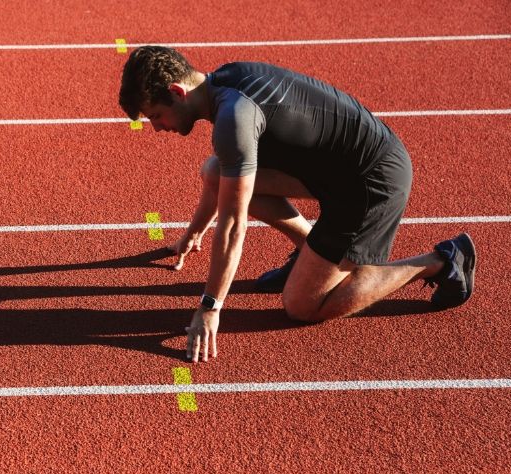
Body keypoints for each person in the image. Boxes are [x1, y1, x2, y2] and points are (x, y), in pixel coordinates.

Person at [119, 46, 477, 363]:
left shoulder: (232, 120)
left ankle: (441, 262)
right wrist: (192, 234)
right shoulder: (224, 81)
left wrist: (210, 306)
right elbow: (223, 188)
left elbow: (232, 226)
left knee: (302, 305)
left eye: (155, 116)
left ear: (177, 92)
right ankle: (310, 249)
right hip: (335, 171)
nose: (156, 127)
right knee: (216, 171)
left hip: (370, 182)